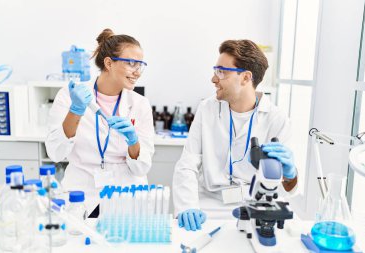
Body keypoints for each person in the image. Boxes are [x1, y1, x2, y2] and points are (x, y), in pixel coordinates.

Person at [173, 39, 298, 231]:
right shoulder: (207, 109)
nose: (214, 79)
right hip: (208, 206)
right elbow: (187, 164)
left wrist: (290, 174)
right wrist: (188, 206)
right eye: (216, 71)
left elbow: (285, 186)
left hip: (256, 205)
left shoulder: (276, 118)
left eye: (221, 72)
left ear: (246, 78)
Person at [45, 28, 154, 211]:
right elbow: (56, 152)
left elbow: (142, 168)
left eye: (140, 65)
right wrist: (76, 110)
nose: (137, 72)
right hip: (82, 193)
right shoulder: (70, 95)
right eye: (131, 63)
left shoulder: (140, 104)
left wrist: (133, 141)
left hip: (127, 194)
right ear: (109, 63)